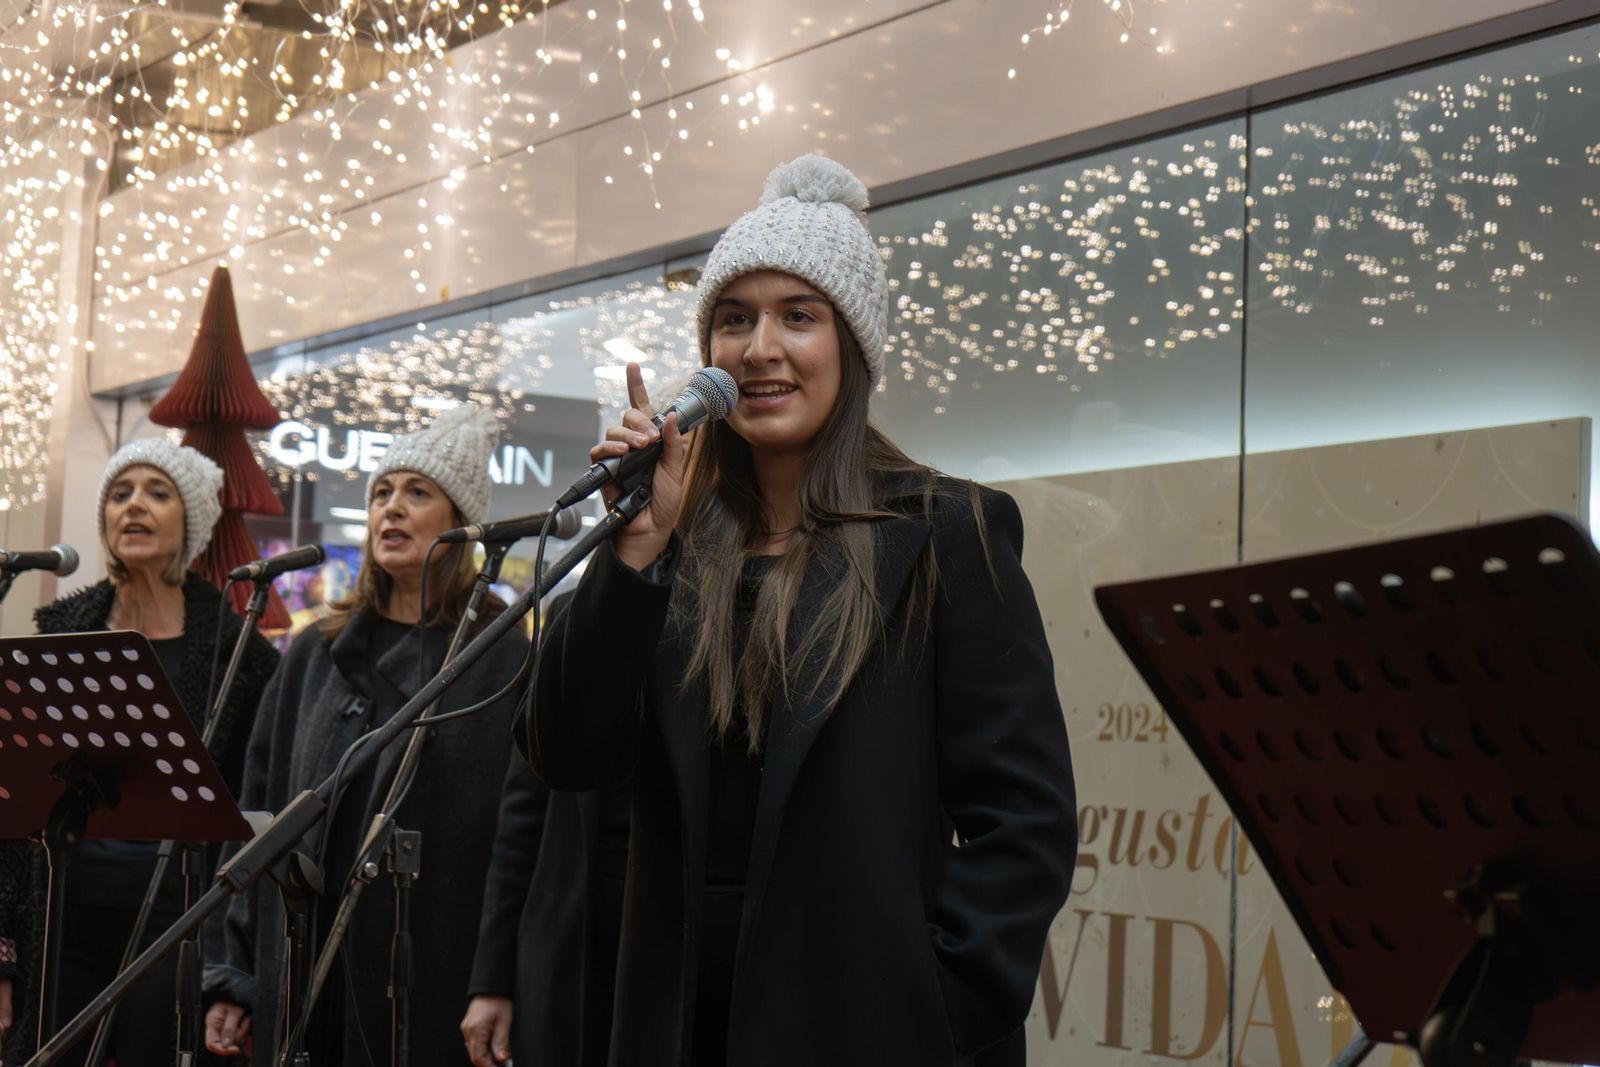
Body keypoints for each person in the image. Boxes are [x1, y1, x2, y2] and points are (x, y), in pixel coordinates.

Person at [520, 155, 1078, 1066]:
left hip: (866, 1025)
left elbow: (1026, 819)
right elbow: (567, 752)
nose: (760, 347)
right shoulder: (675, 542)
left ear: (851, 348)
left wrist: (938, 1003)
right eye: (734, 319)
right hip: (678, 1020)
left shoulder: (948, 532)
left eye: (799, 316)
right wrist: (632, 555)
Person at [203, 403, 531, 1066]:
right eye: (382, 492)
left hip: (430, 975)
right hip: (301, 968)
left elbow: (514, 839)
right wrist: (233, 972)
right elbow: (256, 816)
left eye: (417, 492)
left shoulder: (499, 655)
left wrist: (497, 978)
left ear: (462, 522)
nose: (393, 508)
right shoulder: (315, 650)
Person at [0, 438, 280, 1066]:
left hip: (176, 920)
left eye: (158, 493)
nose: (134, 507)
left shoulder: (239, 655)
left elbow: (249, 805)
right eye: (120, 494)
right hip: (61, 912)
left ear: (193, 522)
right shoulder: (62, 633)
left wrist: (230, 962)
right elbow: (20, 808)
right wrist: (3, 952)